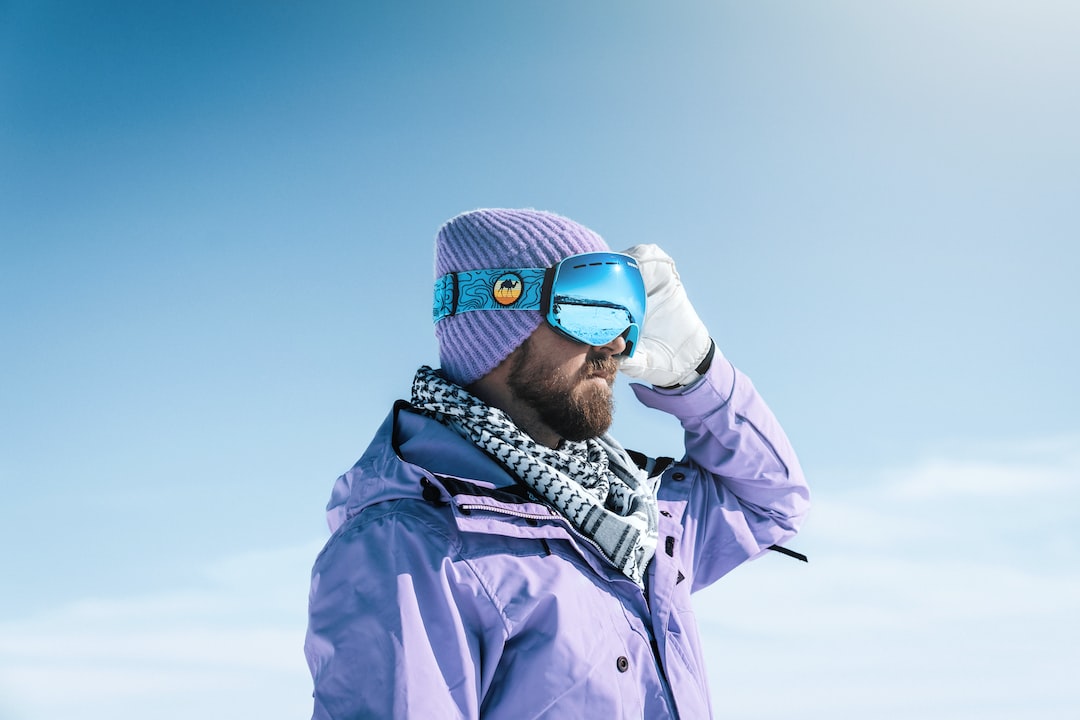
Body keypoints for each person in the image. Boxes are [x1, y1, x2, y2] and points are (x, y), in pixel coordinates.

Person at [304, 208, 810, 719]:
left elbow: (771, 503)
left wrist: (699, 371)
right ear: (498, 315)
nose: (616, 343)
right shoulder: (407, 549)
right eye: (592, 311)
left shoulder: (631, 516)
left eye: (626, 317)